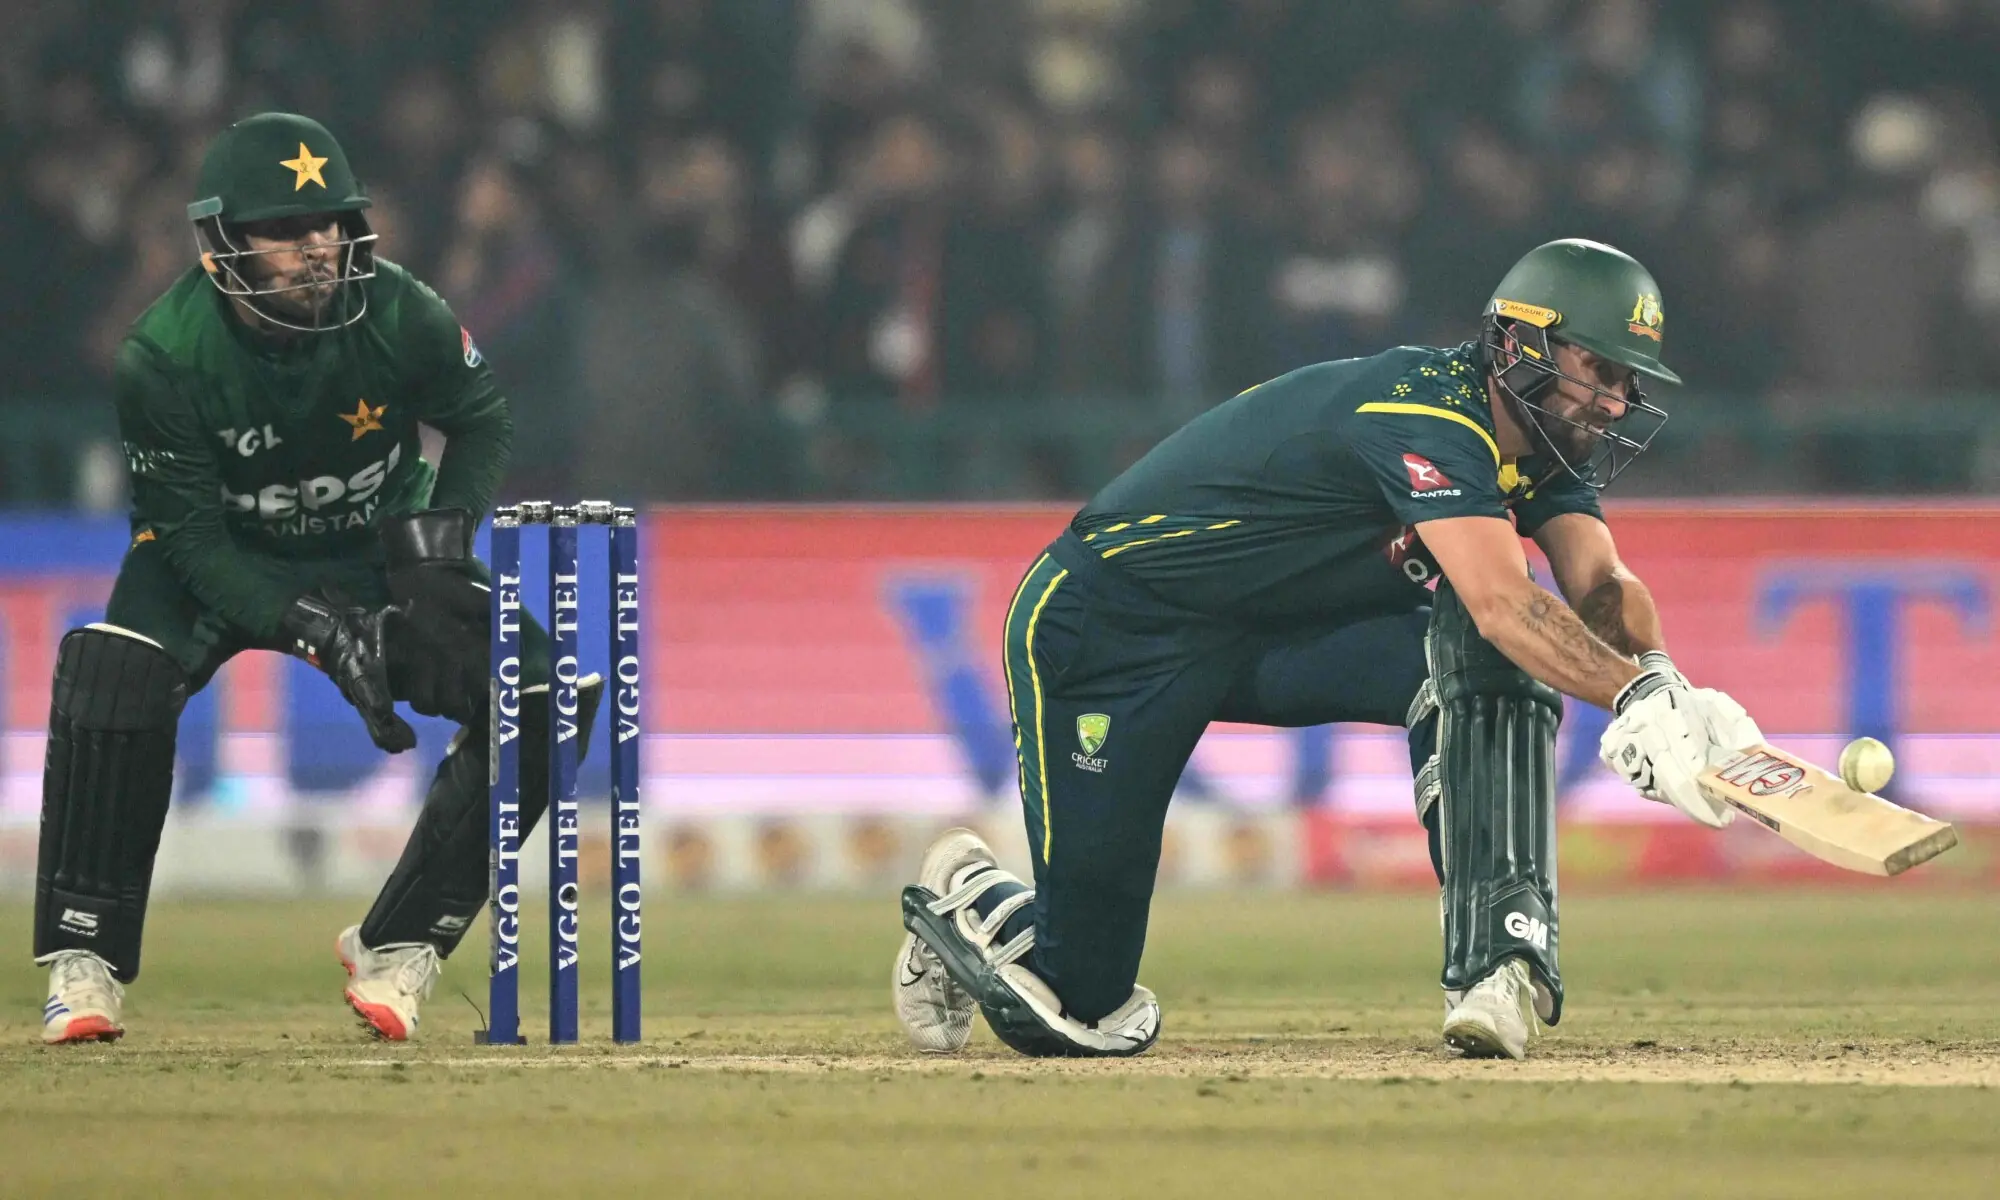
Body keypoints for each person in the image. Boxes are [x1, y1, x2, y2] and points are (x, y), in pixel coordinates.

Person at [893, 238, 1763, 1061]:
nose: (1612, 401)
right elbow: (1504, 601)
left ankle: (1495, 961)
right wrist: (1631, 701)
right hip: (1112, 629)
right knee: (1081, 1001)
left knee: (1468, 663)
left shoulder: (1539, 445)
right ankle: (966, 893)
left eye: (1625, 381)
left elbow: (1601, 588)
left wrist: (1665, 684)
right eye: (1597, 369)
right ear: (1518, 342)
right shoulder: (1422, 411)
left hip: (1272, 636)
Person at [33, 112, 598, 1044]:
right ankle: (83, 964)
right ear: (221, 250)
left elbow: (482, 415)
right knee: (116, 671)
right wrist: (315, 627)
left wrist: (440, 548)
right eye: (288, 232)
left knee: (538, 694)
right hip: (216, 559)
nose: (321, 247)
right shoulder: (162, 356)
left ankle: (399, 945)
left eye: (332, 223)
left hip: (374, 548)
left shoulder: (399, 307)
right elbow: (190, 542)